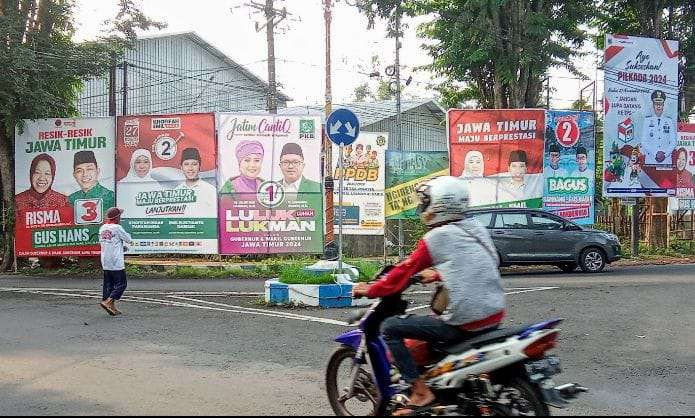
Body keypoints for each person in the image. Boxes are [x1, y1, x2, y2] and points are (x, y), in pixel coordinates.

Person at [353, 176, 505, 416]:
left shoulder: (436, 237)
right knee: (429, 326)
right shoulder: (475, 227)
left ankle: (421, 392)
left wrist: (370, 289)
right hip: (494, 314)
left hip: (465, 322)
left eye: (426, 202)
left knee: (391, 327)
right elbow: (481, 261)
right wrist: (437, 274)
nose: (422, 207)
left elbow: (403, 271)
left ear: (440, 204)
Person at [99, 207, 133, 316]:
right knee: (122, 284)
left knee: (109, 284)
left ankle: (111, 306)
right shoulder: (117, 228)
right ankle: (108, 301)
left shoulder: (102, 228)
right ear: (117, 217)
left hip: (105, 260)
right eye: (120, 216)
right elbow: (129, 239)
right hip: (116, 261)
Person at [68, 150, 115, 218]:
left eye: (89, 169)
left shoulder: (110, 197)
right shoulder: (70, 199)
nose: (85, 174)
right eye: (79, 171)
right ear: (74, 175)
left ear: (97, 171)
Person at [175, 147, 217, 215]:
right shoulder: (176, 191)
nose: (190, 168)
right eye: (186, 164)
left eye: (194, 164)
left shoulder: (210, 190)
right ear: (181, 167)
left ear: (199, 166)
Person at [641, 89, 677, 165]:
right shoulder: (647, 121)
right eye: (656, 103)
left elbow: (673, 142)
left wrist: (665, 154)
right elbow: (644, 142)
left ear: (663, 105)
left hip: (666, 160)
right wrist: (655, 154)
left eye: (660, 104)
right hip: (651, 159)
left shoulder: (669, 121)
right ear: (653, 105)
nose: (658, 106)